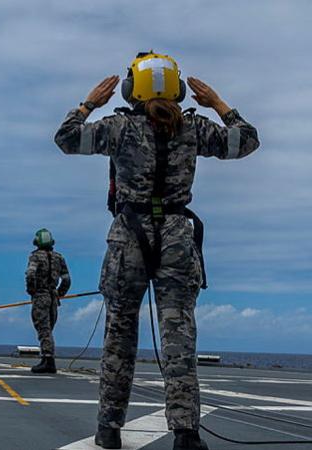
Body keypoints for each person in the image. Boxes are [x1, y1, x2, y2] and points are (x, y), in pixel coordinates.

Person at [54, 52, 259, 450]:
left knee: (119, 332)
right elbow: (247, 140)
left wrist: (89, 103)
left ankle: (109, 428)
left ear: (133, 88)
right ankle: (185, 432)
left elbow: (66, 138)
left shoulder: (118, 128)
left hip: (128, 235)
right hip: (177, 236)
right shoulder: (196, 128)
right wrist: (218, 103)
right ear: (178, 88)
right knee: (179, 335)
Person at [25, 228, 71, 374]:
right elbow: (67, 280)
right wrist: (60, 293)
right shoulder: (59, 257)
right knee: (49, 328)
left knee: (43, 329)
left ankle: (48, 360)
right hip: (53, 297)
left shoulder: (35, 257)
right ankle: (46, 359)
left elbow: (30, 275)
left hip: (41, 296)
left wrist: (32, 291)